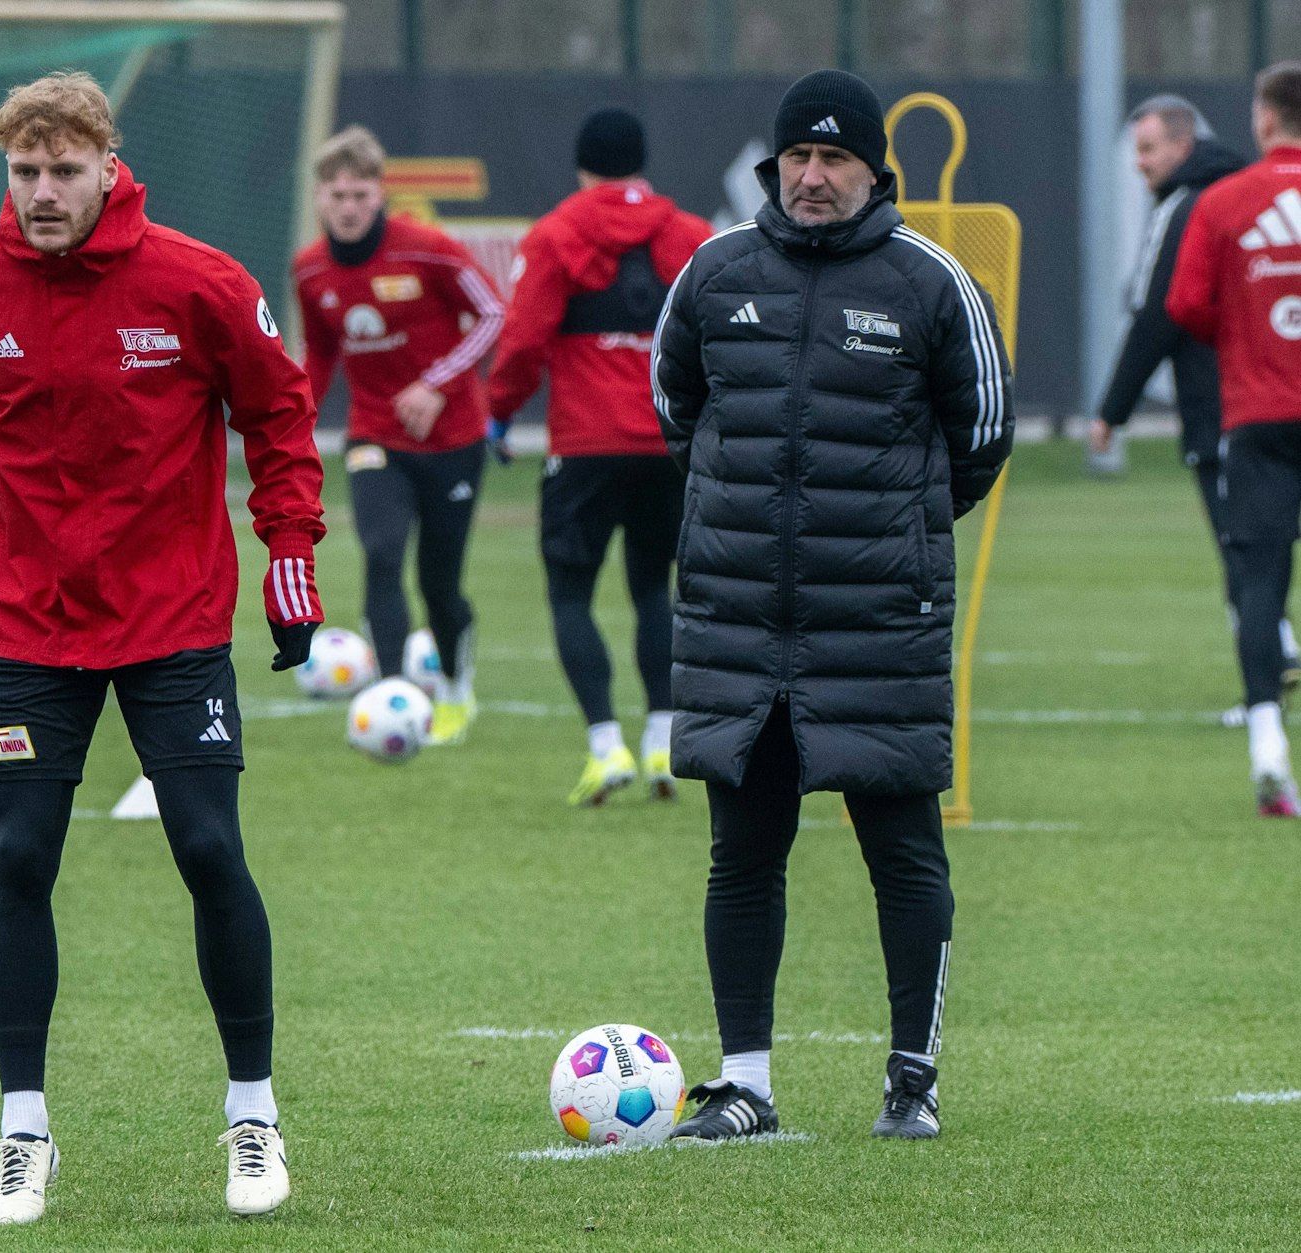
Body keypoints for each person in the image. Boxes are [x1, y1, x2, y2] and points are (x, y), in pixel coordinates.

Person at [0, 72, 324, 1223]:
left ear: (107, 166)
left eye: (62, 172)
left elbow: (278, 415)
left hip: (172, 620)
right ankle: (21, 1131)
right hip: (29, 628)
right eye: (24, 172)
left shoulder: (197, 282)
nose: (41, 193)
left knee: (206, 848)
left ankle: (252, 1114)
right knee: (20, 858)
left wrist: (289, 554)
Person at [652, 69, 1013, 1141]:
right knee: (741, 853)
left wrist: (895, 530)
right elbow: (674, 406)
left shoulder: (930, 282)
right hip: (737, 617)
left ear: (871, 171)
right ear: (774, 167)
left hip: (876, 620)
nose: (812, 177)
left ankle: (912, 1077)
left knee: (901, 854)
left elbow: (981, 432)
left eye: (834, 160)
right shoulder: (713, 272)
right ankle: (745, 1082)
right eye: (797, 159)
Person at [486, 107, 711, 806]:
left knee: (570, 594)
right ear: (643, 162)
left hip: (584, 446)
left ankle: (605, 743)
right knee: (653, 589)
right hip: (667, 444)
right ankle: (663, 744)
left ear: (583, 165)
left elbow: (522, 341)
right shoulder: (692, 236)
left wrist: (498, 412)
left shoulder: (556, 234)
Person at [293, 125, 505, 745]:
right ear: (320, 199)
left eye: (360, 193)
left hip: (454, 438)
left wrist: (435, 384)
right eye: (337, 195)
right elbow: (321, 352)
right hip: (374, 435)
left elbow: (493, 313)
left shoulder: (429, 250)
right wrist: (292, 415)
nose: (349, 206)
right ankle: (391, 691)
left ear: (379, 194)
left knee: (440, 581)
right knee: (382, 557)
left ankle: (458, 693)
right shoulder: (310, 270)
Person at [1091, 97, 1290, 725]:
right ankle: (1277, 658)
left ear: (1182, 145)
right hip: (1268, 399)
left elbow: (1159, 314)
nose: (1140, 164)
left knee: (1247, 559)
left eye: (1148, 150)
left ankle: (1266, 687)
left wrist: (1111, 411)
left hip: (1231, 413)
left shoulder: (1192, 205)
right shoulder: (1243, 192)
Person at [1167, 61, 1301, 817]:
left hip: (1256, 418)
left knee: (1259, 582)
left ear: (1264, 120)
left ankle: (1268, 747)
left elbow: (1187, 305)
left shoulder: (1224, 202)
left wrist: (1249, 333)